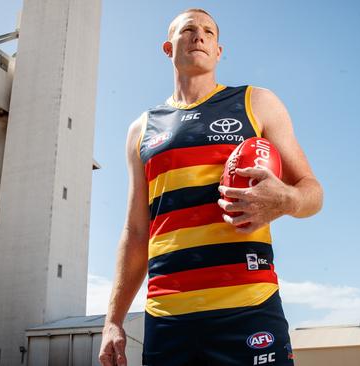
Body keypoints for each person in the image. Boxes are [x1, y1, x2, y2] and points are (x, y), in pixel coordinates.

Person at [98, 8, 323, 366]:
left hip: (248, 309)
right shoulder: (142, 128)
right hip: (167, 316)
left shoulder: (256, 102)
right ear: (168, 48)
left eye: (208, 32)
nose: (199, 36)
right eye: (188, 30)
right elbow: (136, 230)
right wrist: (113, 321)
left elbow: (312, 192)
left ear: (218, 51)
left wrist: (288, 199)